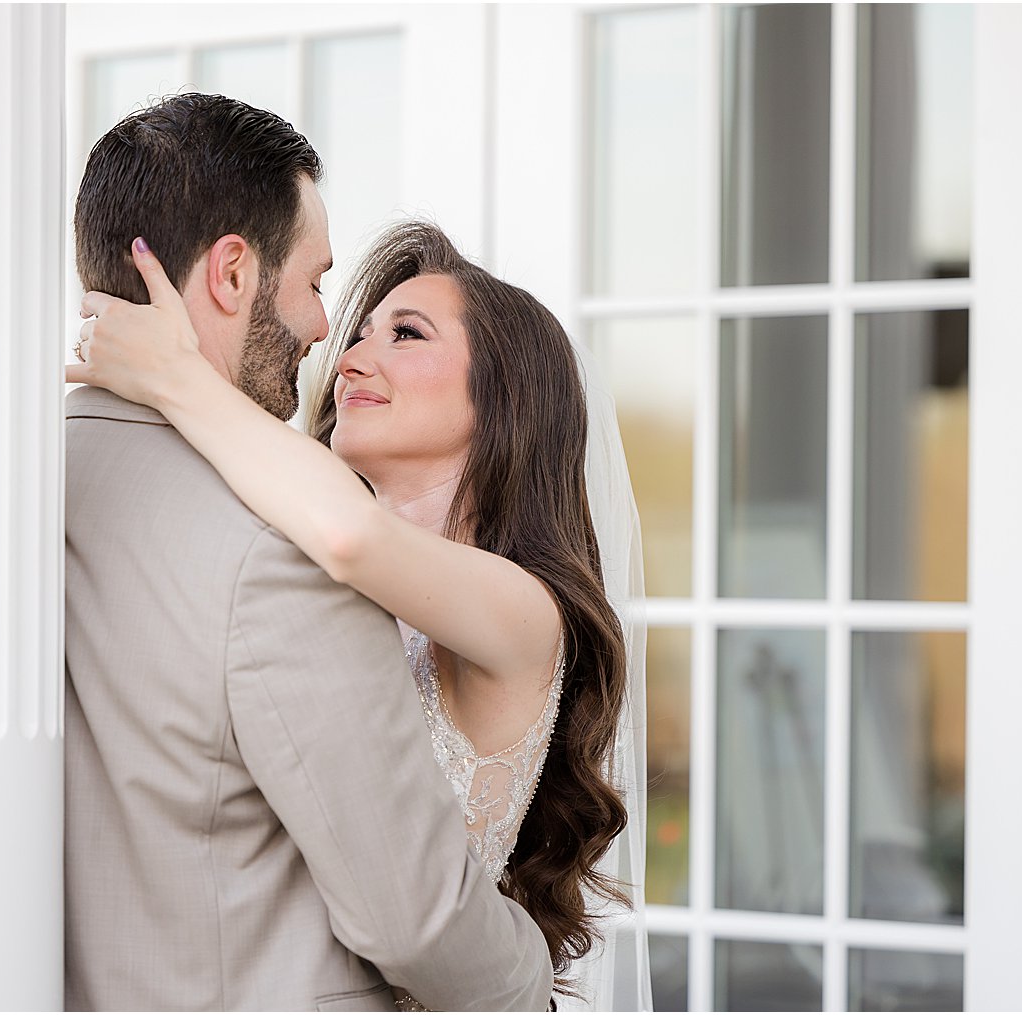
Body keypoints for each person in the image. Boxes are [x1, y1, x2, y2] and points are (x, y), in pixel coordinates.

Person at [70, 216, 650, 1008]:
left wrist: (176, 375)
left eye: (406, 333)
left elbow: (350, 534)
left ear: (502, 396)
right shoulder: (311, 574)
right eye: (360, 331)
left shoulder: (523, 610)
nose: (348, 359)